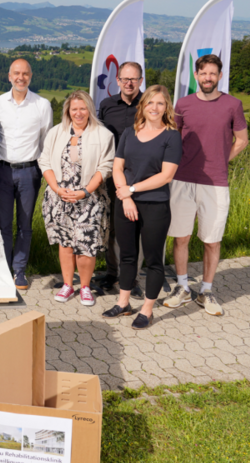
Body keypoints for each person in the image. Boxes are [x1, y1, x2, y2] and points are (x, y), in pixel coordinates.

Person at [164, 54, 250, 316]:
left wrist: (222, 162)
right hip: (183, 179)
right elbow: (173, 138)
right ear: (196, 76)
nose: (208, 78)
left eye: (213, 73)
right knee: (181, 237)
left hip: (215, 183)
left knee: (212, 240)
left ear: (220, 76)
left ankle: (206, 291)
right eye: (203, 74)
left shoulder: (233, 105)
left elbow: (242, 140)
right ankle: (182, 288)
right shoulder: (183, 104)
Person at [101, 85, 181, 330]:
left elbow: (166, 176)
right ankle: (123, 303)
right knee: (127, 255)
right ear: (142, 106)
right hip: (126, 203)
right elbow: (117, 168)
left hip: (155, 205)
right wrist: (125, 198)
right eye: (150, 103)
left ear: (166, 107)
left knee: (154, 260)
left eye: (160, 103)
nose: (154, 108)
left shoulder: (172, 136)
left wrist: (132, 191)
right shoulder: (128, 132)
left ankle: (147, 309)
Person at [40, 91, 115, 306]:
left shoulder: (103, 135)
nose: (79, 113)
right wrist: (56, 188)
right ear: (68, 111)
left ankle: (84, 287)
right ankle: (67, 285)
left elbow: (105, 167)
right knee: (65, 243)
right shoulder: (56, 132)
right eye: (74, 109)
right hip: (59, 198)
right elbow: (44, 161)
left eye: (83, 108)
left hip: (89, 201)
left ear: (90, 110)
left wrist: (85, 191)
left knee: (86, 245)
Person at [0, 59, 53, 290]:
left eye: (25, 73)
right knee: (3, 224)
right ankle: (4, 269)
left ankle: (19, 270)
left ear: (31, 76)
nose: (20, 77)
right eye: (16, 73)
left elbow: (46, 140)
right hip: (2, 171)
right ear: (9, 76)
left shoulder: (42, 105)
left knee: (25, 224)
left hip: (29, 171)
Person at [97, 62, 144, 293]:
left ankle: (131, 277)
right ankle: (112, 273)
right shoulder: (106, 105)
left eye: (133, 79)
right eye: (125, 79)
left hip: (140, 176)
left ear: (140, 81)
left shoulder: (149, 106)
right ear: (117, 80)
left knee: (137, 228)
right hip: (112, 176)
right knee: (113, 228)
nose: (129, 83)